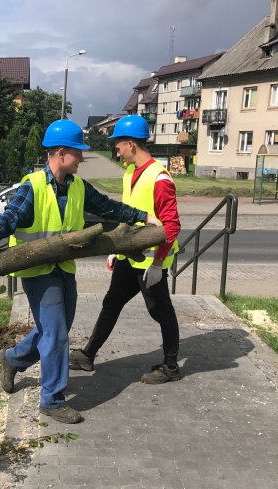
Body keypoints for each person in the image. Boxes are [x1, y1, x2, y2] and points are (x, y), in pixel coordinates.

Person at [0, 119, 159, 424]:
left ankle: (12, 359)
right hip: (37, 272)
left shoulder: (77, 186)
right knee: (57, 335)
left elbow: (107, 207)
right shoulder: (33, 187)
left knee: (54, 331)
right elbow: (7, 220)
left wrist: (142, 216)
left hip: (64, 268)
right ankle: (51, 399)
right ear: (62, 153)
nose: (81, 158)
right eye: (78, 153)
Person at [69, 115, 182, 384]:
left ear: (131, 144)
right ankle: (88, 354)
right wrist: (115, 247)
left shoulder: (160, 179)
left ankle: (171, 367)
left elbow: (172, 226)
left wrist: (157, 265)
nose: (115, 149)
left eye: (118, 144)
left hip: (150, 260)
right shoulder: (131, 172)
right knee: (111, 303)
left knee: (161, 311)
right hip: (128, 254)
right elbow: (128, 215)